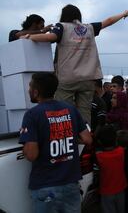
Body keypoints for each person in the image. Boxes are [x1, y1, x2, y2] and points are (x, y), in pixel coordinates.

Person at [22, 4, 128, 126]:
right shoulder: (89, 28)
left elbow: (51, 36)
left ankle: (67, 135)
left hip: (67, 77)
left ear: (63, 16)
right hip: (88, 78)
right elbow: (108, 21)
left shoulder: (62, 27)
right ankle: (85, 138)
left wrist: (30, 36)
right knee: (85, 111)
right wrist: (123, 14)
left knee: (64, 111)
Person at [19, 72, 92, 213]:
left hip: (45, 187)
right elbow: (87, 139)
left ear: (36, 92)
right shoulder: (70, 109)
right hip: (71, 185)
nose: (28, 90)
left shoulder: (32, 115)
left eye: (30, 86)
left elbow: (31, 155)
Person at [95, 124, 127, 213]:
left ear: (100, 141)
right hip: (121, 189)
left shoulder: (99, 156)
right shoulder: (121, 152)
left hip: (106, 192)